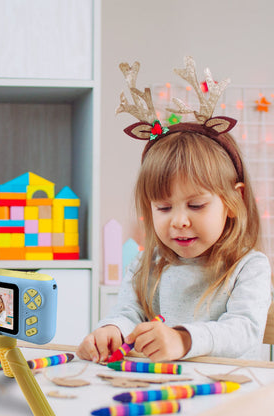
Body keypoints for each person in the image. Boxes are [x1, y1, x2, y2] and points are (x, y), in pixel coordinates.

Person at [77, 57, 272, 364]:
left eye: (196, 205)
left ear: (234, 202)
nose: (179, 221)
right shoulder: (147, 263)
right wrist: (111, 330)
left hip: (231, 392)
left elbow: (243, 330)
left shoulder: (249, 267)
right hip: (164, 391)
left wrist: (183, 340)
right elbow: (129, 313)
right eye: (164, 207)